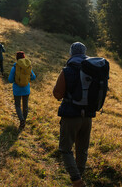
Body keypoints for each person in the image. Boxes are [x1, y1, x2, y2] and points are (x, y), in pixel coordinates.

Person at [53, 42, 92, 187]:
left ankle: (76, 180)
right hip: (87, 116)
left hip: (70, 116)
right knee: (82, 149)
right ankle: (80, 175)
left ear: (71, 53)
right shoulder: (92, 70)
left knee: (65, 148)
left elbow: (57, 94)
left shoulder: (67, 71)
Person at [8, 51, 36, 129]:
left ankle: (22, 120)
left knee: (17, 106)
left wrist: (16, 79)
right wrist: (27, 78)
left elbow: (10, 80)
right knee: (25, 106)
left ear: (17, 58)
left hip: (17, 90)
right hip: (26, 89)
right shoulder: (28, 66)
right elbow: (34, 77)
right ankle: (24, 120)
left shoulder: (15, 67)